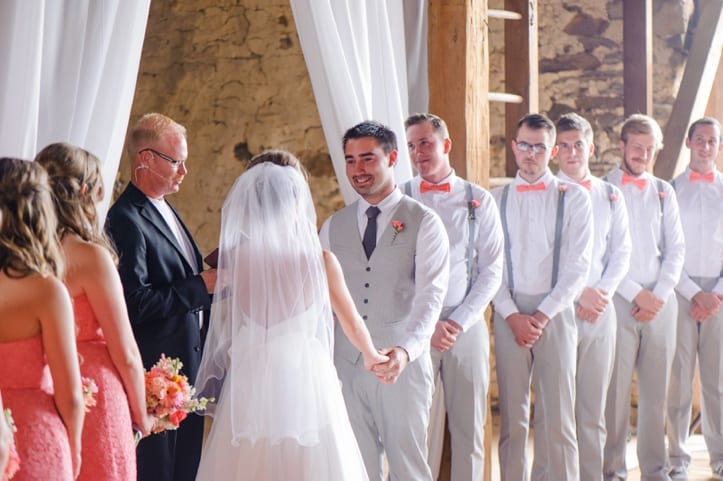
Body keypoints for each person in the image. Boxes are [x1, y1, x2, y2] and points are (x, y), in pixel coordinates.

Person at [194, 150, 389, 480]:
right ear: (298, 200)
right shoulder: (320, 262)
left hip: (251, 381)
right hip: (304, 382)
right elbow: (351, 321)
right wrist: (371, 355)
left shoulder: (235, 261)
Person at [319, 120, 450, 480]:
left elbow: (430, 298)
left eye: (367, 159)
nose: (357, 170)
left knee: (409, 467)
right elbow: (320, 301)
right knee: (355, 468)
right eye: (350, 160)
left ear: (392, 158)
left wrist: (405, 352)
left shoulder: (424, 222)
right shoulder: (332, 226)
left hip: (402, 367)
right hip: (345, 366)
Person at [105, 113, 216, 481]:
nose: (184, 171)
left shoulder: (165, 207)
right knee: (160, 472)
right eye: (176, 161)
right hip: (157, 374)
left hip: (186, 367)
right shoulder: (125, 218)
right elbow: (135, 303)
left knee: (186, 469)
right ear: (146, 159)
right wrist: (202, 285)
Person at [36, 143, 155, 481]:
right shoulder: (91, 256)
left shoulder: (23, 254)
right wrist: (142, 414)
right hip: (97, 396)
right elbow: (126, 353)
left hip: (45, 386)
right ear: (85, 191)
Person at [491, 113, 593, 481]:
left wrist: (543, 315)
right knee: (512, 420)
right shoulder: (495, 198)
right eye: (524, 145)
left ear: (552, 152)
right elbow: (489, 266)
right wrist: (510, 314)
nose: (530, 153)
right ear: (515, 147)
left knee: (559, 419)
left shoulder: (575, 199)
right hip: (509, 314)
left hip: (557, 312)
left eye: (540, 147)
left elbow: (578, 267)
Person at [402, 113, 503, 481]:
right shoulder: (400, 198)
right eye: (411, 145)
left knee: (471, 427)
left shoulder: (480, 201)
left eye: (425, 143)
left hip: (467, 324)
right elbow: (395, 270)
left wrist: (458, 321)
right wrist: (425, 323)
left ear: (445, 145)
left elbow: (491, 270)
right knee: (414, 428)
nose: (418, 153)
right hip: (415, 326)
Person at [602, 113, 685, 481]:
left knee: (656, 395)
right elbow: (602, 254)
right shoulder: (602, 189)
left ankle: (655, 471)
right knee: (614, 393)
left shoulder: (665, 191)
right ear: (622, 146)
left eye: (650, 149)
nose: (643, 155)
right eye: (637, 147)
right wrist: (636, 293)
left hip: (661, 301)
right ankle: (613, 470)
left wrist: (659, 294)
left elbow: (676, 249)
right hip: (618, 301)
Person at [554, 113, 632, 481]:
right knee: (557, 407)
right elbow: (541, 256)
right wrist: (576, 293)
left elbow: (621, 253)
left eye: (578, 144)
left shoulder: (610, 195)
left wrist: (600, 294)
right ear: (555, 151)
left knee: (592, 407)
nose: (572, 152)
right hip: (559, 309)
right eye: (564, 146)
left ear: (591, 147)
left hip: (600, 310)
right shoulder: (546, 194)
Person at [0, 157, 85, 480]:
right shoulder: (47, 291)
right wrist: (74, 449)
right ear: (39, 212)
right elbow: (71, 395)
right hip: (35, 438)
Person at [666, 117, 723, 481]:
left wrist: (715, 294)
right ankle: (677, 462)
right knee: (679, 380)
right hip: (681, 293)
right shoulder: (670, 191)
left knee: (718, 382)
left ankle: (720, 459)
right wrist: (692, 292)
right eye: (699, 139)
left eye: (712, 141)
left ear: (719, 146)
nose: (705, 146)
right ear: (688, 143)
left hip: (719, 297)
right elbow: (666, 249)